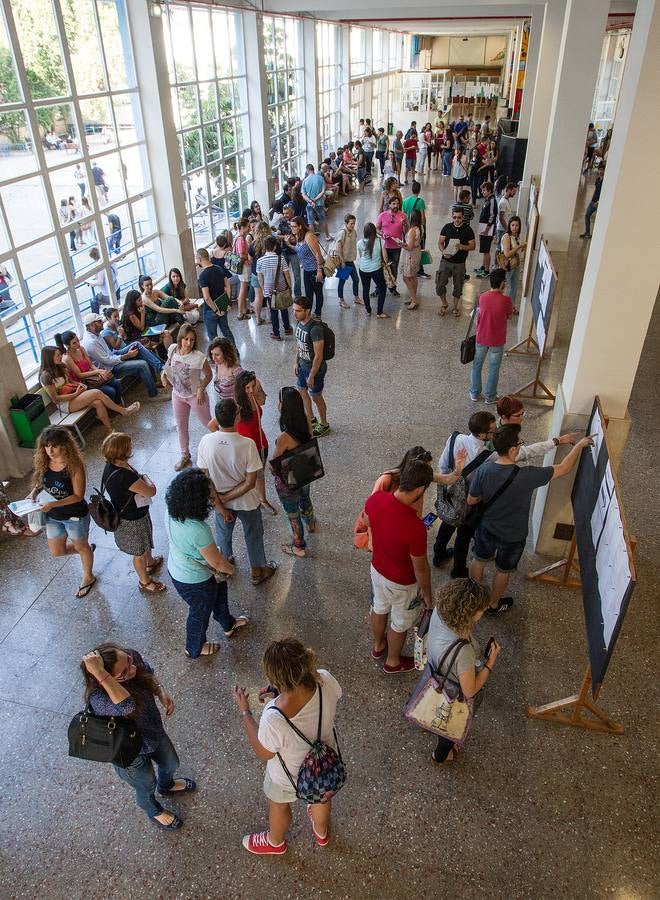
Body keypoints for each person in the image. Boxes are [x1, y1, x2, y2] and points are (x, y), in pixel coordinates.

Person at [232, 639, 342, 855]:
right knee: (320, 798)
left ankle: (275, 842)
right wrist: (281, 691)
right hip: (325, 766)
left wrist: (245, 713)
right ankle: (321, 832)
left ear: (276, 679)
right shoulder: (325, 679)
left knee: (279, 805)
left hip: (287, 777)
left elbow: (265, 752)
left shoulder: (273, 716)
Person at [467, 425, 593, 613]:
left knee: (479, 560)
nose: (520, 446)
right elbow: (564, 468)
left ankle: (474, 597)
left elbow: (472, 500)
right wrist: (579, 445)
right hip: (514, 534)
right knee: (503, 570)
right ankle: (493, 604)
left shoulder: (484, 470)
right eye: (519, 443)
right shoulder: (528, 476)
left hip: (487, 527)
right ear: (512, 450)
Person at [80, 644, 194, 829]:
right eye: (124, 673)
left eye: (130, 661)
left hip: (153, 732)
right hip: (129, 753)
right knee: (146, 786)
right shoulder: (99, 698)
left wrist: (160, 692)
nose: (132, 668)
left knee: (171, 763)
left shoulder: (129, 657)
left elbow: (147, 671)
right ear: (103, 678)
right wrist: (102, 674)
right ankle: (154, 811)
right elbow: (126, 706)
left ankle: (166, 785)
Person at [165, 468, 248, 657]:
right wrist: (231, 569)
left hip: (179, 567)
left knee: (218, 594)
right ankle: (193, 648)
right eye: (209, 498)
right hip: (194, 580)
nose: (212, 501)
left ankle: (228, 624)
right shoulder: (197, 529)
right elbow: (217, 563)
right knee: (199, 613)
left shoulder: (171, 509)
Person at [196, 398, 277, 586]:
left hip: (218, 503)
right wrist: (228, 497)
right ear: (236, 418)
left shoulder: (206, 441)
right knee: (253, 534)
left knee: (223, 534)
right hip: (247, 502)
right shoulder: (247, 444)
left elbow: (204, 478)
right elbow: (250, 483)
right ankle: (257, 570)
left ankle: (225, 562)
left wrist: (220, 502)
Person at [364, 458, 434, 674]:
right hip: (402, 583)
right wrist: (427, 593)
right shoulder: (415, 527)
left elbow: (368, 522)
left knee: (379, 607)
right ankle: (392, 661)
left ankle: (378, 646)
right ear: (420, 489)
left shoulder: (376, 499)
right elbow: (420, 567)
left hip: (377, 570)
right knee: (400, 622)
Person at [427, 579, 500, 766]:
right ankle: (441, 755)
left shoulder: (440, 611)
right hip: (452, 689)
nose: (483, 612)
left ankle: (428, 721)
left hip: (435, 669)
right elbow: (470, 691)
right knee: (451, 727)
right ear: (470, 613)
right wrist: (490, 663)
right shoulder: (463, 652)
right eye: (481, 609)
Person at [29, 426, 96, 598]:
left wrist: (53, 504)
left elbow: (78, 495)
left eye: (54, 446)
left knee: (81, 546)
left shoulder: (74, 465)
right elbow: (41, 482)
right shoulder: (44, 461)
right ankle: (85, 550)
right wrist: (32, 493)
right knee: (57, 551)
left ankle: (88, 577)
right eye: (46, 446)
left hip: (74, 516)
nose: (50, 450)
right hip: (53, 516)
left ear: (64, 445)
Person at [431, 411, 497, 574]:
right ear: (482, 435)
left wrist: (450, 484)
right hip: (469, 499)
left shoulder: (454, 438)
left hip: (451, 493)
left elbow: (443, 465)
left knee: (447, 524)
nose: (495, 433)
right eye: (493, 431)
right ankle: (458, 569)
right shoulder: (488, 456)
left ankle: (438, 556)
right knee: (464, 534)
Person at [101, 432, 164, 593]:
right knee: (139, 552)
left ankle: (150, 563)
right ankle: (144, 582)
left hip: (134, 513)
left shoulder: (111, 466)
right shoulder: (123, 476)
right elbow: (151, 491)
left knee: (144, 543)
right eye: (129, 445)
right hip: (132, 519)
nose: (132, 446)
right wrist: (146, 477)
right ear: (122, 452)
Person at [39, 345, 139, 433]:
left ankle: (110, 430)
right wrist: (75, 394)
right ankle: (123, 411)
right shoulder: (45, 376)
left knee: (98, 402)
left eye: (60, 354)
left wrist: (79, 385)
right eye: (58, 355)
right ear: (49, 358)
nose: (61, 357)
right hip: (65, 403)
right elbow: (55, 399)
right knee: (97, 393)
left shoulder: (60, 366)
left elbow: (71, 382)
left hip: (74, 394)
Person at [270, 387, 316, 557]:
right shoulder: (306, 421)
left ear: (284, 407)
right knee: (305, 498)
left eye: (279, 400)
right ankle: (311, 522)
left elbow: (274, 462)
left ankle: (298, 545)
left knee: (292, 514)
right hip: (305, 473)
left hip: (289, 483)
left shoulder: (284, 438)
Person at [161, 324, 212, 472]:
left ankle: (223, 444)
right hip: (177, 395)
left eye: (191, 340)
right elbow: (167, 365)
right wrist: (163, 376)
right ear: (180, 338)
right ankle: (185, 455)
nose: (188, 343)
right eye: (185, 339)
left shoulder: (199, 357)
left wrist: (201, 388)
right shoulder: (172, 350)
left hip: (196, 397)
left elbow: (209, 375)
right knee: (181, 427)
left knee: (209, 423)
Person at [235, 370, 276, 515]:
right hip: (245, 450)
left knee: (260, 475)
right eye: (247, 388)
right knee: (246, 477)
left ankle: (262, 499)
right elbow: (214, 425)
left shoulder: (253, 397)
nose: (251, 390)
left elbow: (263, 400)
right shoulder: (236, 407)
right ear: (240, 389)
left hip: (260, 444)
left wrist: (254, 383)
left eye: (252, 386)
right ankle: (250, 500)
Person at [470, 268, 513, 404]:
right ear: (502, 283)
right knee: (494, 368)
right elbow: (509, 316)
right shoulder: (506, 300)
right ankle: (490, 396)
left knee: (477, 365)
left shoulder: (482, 297)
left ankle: (475, 393)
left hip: (481, 337)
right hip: (497, 340)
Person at [292, 296, 329, 437]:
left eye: (298, 311)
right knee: (302, 390)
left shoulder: (315, 330)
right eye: (294, 310)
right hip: (302, 366)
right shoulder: (299, 324)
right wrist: (296, 362)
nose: (295, 314)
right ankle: (311, 418)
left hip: (315, 370)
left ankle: (324, 424)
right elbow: (299, 344)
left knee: (316, 397)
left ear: (307, 311)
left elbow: (319, 356)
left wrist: (312, 375)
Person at [55, 330, 123, 405]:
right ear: (67, 345)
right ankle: (113, 409)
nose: (78, 343)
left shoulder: (81, 348)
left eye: (77, 340)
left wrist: (99, 371)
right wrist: (97, 372)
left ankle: (118, 404)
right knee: (110, 391)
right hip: (84, 382)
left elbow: (91, 365)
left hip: (93, 377)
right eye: (74, 343)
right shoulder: (67, 358)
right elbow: (80, 375)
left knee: (117, 382)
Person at [99, 307, 165, 377]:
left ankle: (162, 368)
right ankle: (162, 368)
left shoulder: (117, 325)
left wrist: (124, 334)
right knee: (143, 350)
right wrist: (120, 335)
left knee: (146, 348)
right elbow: (116, 348)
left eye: (118, 315)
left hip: (127, 346)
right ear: (108, 318)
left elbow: (126, 340)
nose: (118, 318)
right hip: (121, 354)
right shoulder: (106, 333)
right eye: (115, 317)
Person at [436, 208, 476, 317]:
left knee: (458, 286)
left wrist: (462, 247)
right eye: (454, 217)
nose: (456, 220)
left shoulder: (468, 230)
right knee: (440, 283)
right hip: (446, 260)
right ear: (452, 217)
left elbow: (473, 246)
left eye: (459, 217)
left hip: (459, 262)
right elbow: (440, 242)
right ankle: (444, 304)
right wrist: (443, 251)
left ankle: (455, 307)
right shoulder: (447, 227)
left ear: (462, 217)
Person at [195, 247, 236, 345]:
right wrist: (226, 301)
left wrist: (216, 310)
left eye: (196, 259)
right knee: (226, 331)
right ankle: (234, 353)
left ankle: (216, 357)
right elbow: (228, 286)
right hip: (222, 305)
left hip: (210, 310)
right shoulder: (219, 268)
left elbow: (207, 297)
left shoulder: (203, 276)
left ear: (200, 259)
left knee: (213, 336)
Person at [256, 235, 293, 341]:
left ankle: (276, 333)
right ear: (275, 247)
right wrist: (289, 286)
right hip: (281, 286)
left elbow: (260, 277)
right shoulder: (280, 258)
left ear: (265, 247)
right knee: (283, 307)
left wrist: (263, 289)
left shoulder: (260, 261)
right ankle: (287, 328)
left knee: (273, 310)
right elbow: (287, 274)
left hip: (268, 289)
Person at [291, 217, 325, 317]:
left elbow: (318, 254)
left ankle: (318, 314)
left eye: (294, 226)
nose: (292, 228)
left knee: (318, 293)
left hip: (315, 269)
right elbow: (299, 250)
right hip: (306, 270)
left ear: (300, 226)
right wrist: (289, 244)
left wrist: (319, 270)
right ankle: (308, 314)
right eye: (291, 226)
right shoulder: (299, 236)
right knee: (308, 294)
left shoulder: (309, 236)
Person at [376, 195, 408, 298]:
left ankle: (393, 288)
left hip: (396, 247)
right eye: (393, 203)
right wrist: (382, 234)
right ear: (389, 204)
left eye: (397, 204)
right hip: (385, 247)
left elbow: (405, 232)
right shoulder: (382, 215)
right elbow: (376, 228)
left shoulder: (403, 215)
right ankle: (379, 288)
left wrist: (404, 224)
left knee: (394, 267)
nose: (396, 206)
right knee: (382, 268)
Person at [357, 222, 388, 318]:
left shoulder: (359, 243)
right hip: (376, 270)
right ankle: (379, 312)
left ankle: (368, 310)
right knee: (382, 288)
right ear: (374, 231)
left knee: (365, 289)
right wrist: (385, 264)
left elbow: (361, 256)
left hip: (363, 269)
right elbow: (385, 257)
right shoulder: (379, 241)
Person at [275, 203, 302, 296]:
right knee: (283, 274)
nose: (285, 215)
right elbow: (277, 236)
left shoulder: (297, 221)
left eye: (287, 213)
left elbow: (296, 239)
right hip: (284, 252)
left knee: (297, 275)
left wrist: (287, 238)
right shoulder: (282, 222)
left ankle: (297, 294)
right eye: (284, 213)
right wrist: (286, 237)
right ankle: (286, 293)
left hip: (294, 252)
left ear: (292, 212)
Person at [335, 214, 361, 309]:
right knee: (342, 281)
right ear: (346, 223)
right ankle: (341, 300)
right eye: (351, 223)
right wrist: (342, 262)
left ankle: (356, 298)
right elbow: (339, 247)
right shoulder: (342, 233)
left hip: (350, 260)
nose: (353, 225)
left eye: (354, 223)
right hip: (343, 261)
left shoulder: (354, 232)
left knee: (356, 279)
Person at [401, 208, 422, 311]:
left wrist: (401, 244)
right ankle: (413, 296)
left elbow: (409, 247)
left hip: (410, 256)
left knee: (406, 277)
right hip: (416, 254)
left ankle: (414, 299)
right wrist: (405, 226)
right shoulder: (418, 228)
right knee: (413, 276)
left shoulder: (413, 231)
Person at [209, 337, 242, 401]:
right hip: (223, 404)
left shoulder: (236, 370)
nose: (213, 358)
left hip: (236, 406)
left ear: (226, 354)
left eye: (217, 355)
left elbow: (246, 390)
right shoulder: (217, 365)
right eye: (212, 354)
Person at [474, 181, 497, 278]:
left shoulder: (492, 200)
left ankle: (487, 271)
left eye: (484, 190)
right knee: (483, 249)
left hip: (487, 229)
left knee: (486, 250)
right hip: (483, 227)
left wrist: (487, 229)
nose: (482, 192)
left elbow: (492, 216)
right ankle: (483, 267)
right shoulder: (487, 199)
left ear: (489, 190)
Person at [301, 164, 329, 238]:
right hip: (319, 203)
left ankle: (313, 239)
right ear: (313, 169)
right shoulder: (320, 178)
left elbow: (303, 195)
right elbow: (323, 191)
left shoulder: (305, 181)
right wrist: (315, 199)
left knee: (310, 222)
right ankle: (327, 236)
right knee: (323, 220)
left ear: (307, 170)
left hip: (309, 205)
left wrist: (310, 201)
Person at [87, 247, 120, 311]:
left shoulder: (100, 265)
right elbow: (116, 273)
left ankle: (96, 319)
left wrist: (92, 283)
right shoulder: (108, 259)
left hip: (109, 294)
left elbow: (100, 282)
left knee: (94, 302)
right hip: (117, 288)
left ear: (92, 257)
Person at [232, 217, 252, 319]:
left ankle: (244, 309)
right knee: (243, 290)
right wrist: (249, 256)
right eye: (248, 226)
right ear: (243, 227)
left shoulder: (239, 237)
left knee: (243, 288)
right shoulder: (240, 239)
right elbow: (241, 255)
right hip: (244, 267)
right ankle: (240, 313)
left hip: (243, 267)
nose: (249, 228)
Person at [580, 164, 605, 239]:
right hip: (593, 201)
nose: (600, 171)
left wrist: (598, 202)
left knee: (599, 220)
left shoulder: (605, 181)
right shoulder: (598, 179)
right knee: (587, 215)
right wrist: (592, 198)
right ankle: (587, 232)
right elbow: (596, 189)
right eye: (599, 169)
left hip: (599, 203)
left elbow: (604, 193)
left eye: (602, 170)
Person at [496, 181, 517, 250]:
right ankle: (496, 261)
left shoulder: (506, 200)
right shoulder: (503, 202)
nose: (515, 193)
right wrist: (507, 229)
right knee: (499, 248)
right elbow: (501, 218)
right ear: (509, 190)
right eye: (513, 191)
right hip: (502, 229)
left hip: (504, 228)